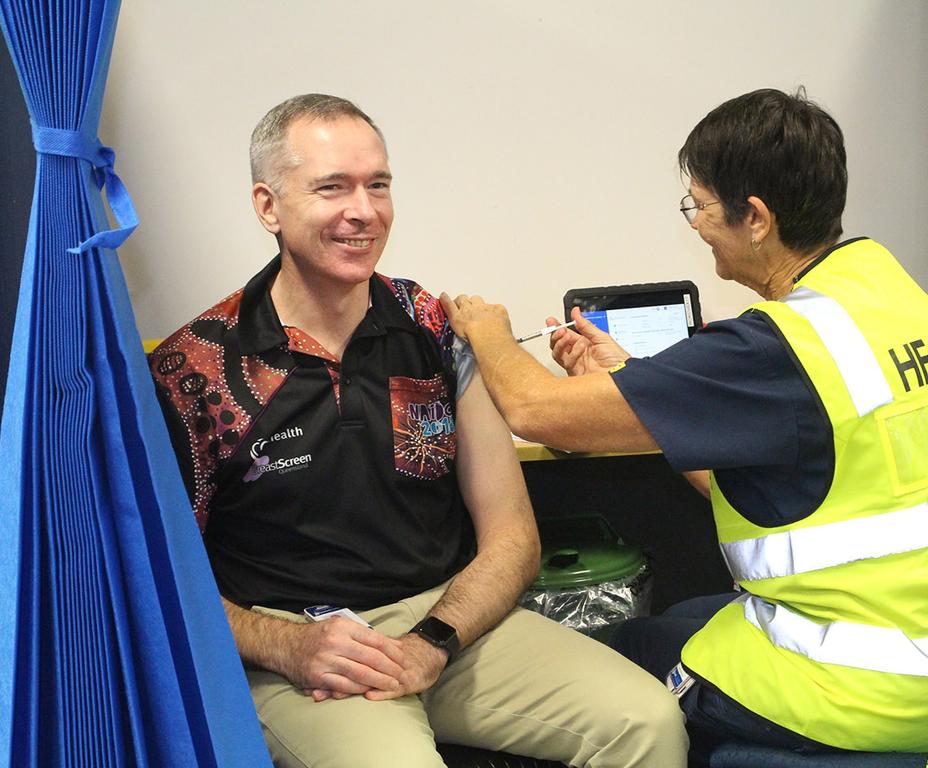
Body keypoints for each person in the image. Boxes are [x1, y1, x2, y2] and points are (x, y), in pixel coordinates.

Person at [440, 88, 928, 764]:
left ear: (757, 218)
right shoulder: (890, 297)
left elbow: (533, 409)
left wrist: (487, 332)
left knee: (612, 658)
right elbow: (810, 498)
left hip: (854, 689)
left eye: (701, 205)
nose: (697, 223)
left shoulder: (774, 350)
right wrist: (638, 381)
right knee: (686, 618)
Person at [149, 94, 685, 768]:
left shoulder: (434, 331)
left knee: (648, 721)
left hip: (449, 624)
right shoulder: (193, 369)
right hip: (302, 652)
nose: (364, 210)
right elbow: (161, 581)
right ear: (268, 206)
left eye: (378, 185)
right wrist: (287, 646)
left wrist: (435, 639)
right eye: (332, 187)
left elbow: (513, 538)